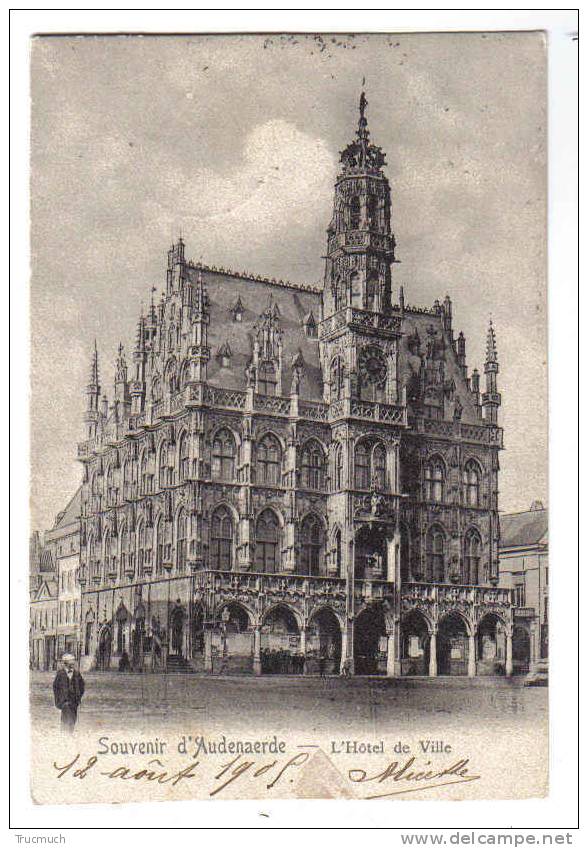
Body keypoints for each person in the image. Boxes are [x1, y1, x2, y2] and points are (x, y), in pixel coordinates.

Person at [53, 653, 85, 734]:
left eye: (73, 661)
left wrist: (78, 697)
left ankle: (70, 733)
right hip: (64, 701)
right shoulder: (60, 674)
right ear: (66, 663)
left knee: (73, 719)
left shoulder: (77, 674)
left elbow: (82, 686)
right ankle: (64, 735)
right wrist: (58, 700)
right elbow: (56, 688)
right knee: (65, 720)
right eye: (71, 661)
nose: (73, 663)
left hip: (74, 701)